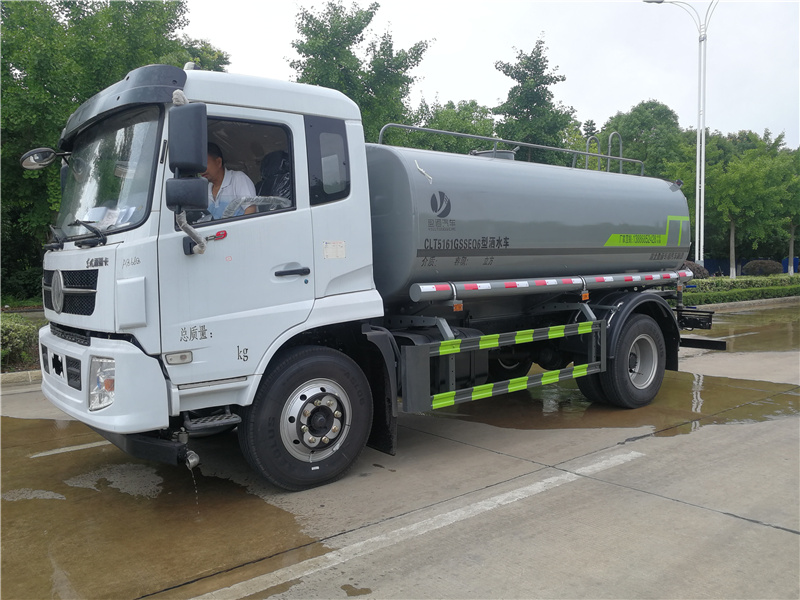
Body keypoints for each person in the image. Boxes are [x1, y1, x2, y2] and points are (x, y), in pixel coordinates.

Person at [201, 143, 257, 219]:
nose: (201, 170)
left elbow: (251, 210)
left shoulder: (238, 179)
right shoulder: (207, 189)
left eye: (204, 164)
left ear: (218, 162)